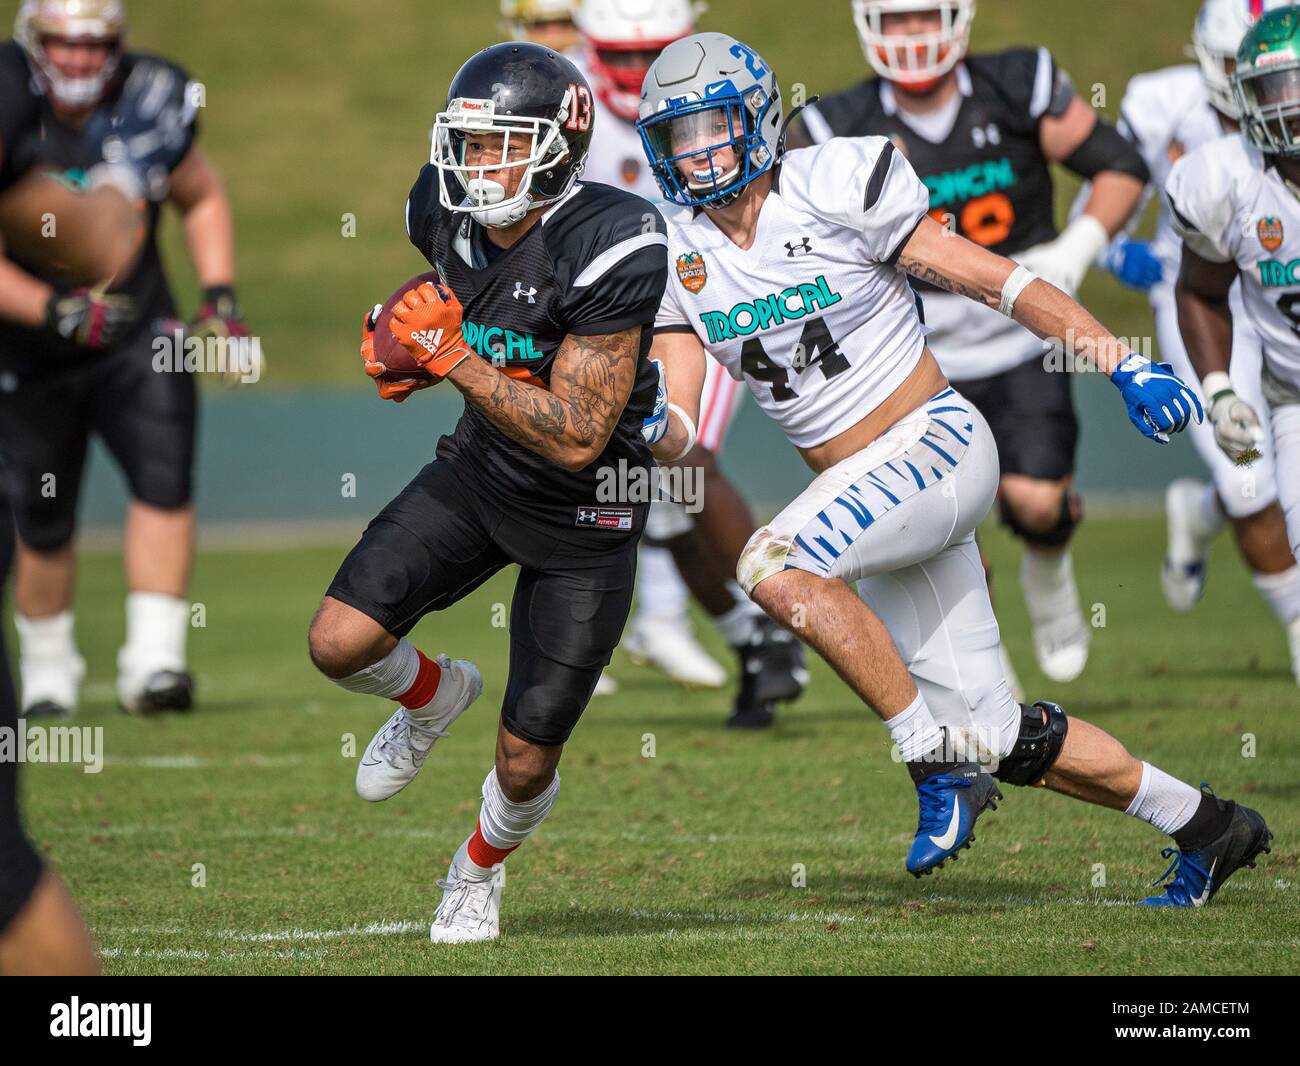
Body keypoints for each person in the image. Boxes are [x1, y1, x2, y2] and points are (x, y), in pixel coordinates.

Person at [640, 30, 1270, 905]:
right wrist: (643, 423)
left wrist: (1118, 361)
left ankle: (930, 766)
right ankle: (1210, 826)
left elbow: (995, 280)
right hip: (863, 493)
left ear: (754, 119)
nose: (698, 151)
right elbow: (676, 424)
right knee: (998, 735)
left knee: (772, 564)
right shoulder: (673, 253)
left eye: (711, 125)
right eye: (677, 136)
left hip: (934, 445)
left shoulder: (834, 181)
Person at [307, 43, 669, 941]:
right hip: (480, 472)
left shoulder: (613, 239)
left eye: (502, 144)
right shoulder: (441, 209)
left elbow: (582, 436)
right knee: (337, 642)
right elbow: (461, 306)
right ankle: (431, 695)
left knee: (523, 761)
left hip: (589, 511)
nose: (478, 166)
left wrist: (451, 358)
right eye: (467, 144)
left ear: (557, 149)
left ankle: (476, 867)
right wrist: (407, 347)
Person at [790, 0, 1151, 688]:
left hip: (1019, 337)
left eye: (924, 16)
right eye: (895, 20)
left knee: (1038, 501)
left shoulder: (1017, 84)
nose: (912, 35)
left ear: (957, 18)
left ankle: (1049, 570)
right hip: (907, 359)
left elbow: (1121, 166)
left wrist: (1076, 249)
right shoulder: (835, 129)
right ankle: (992, 688)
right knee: (941, 533)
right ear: (869, 24)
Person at [0, 0, 248, 717]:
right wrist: (49, 310)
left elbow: (199, 193)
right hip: (31, 339)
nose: (78, 59)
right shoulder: (14, 109)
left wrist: (221, 295)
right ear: (33, 43)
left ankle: (156, 661)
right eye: (62, 43)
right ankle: (49, 670)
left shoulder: (150, 95)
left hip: (139, 327)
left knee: (164, 478)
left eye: (93, 43)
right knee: (40, 509)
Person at [573, 0, 806, 724]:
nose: (641, 73)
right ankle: (755, 640)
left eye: (654, 55)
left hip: (697, 311)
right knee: (662, 509)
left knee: (683, 461)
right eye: (622, 56)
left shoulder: (710, 89)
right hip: (602, 322)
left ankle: (780, 608)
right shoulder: (567, 106)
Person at [1088, 0, 1299, 684]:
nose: (1283, 105)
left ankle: (1194, 509)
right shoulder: (1196, 146)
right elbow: (1110, 199)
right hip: (1229, 315)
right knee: (1247, 477)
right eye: (1265, 83)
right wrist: (1116, 253)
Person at [1169, 3, 1300, 681]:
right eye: (1276, 90)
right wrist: (1218, 393)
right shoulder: (1226, 178)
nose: (1289, 108)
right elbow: (1199, 289)